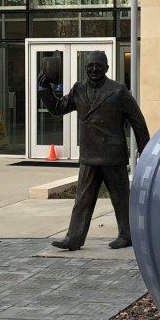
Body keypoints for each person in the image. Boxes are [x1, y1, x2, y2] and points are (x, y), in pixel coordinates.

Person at [39, 51, 150, 250]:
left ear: (106, 68)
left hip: (113, 155)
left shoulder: (118, 90)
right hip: (90, 155)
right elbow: (58, 108)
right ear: (85, 68)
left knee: (121, 198)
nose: (94, 69)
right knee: (82, 199)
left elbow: (138, 123)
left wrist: (146, 151)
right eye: (90, 66)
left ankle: (127, 235)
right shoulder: (78, 89)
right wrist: (44, 88)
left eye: (99, 66)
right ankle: (74, 238)